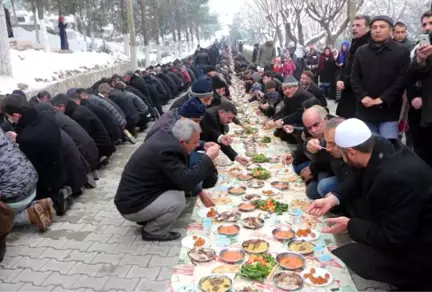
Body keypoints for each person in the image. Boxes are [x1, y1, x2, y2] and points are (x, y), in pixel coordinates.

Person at [308, 118, 432, 291]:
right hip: (406, 223)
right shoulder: (378, 146)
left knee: (354, 257)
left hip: (421, 245)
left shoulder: (395, 177)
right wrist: (332, 198)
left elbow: (393, 238)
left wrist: (350, 225)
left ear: (350, 152)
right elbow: (356, 175)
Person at [115, 119, 220, 241]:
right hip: (132, 205)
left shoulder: (168, 136)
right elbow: (187, 182)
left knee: (178, 191)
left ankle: (148, 217)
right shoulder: (167, 151)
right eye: (195, 142)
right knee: (178, 200)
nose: (198, 145)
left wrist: (202, 145)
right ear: (182, 142)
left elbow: (181, 176)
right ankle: (153, 231)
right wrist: (208, 158)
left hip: (139, 195)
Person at [2, 95, 68, 215]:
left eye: (8, 117)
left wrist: (19, 141)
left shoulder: (28, 138)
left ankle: (35, 212)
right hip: (59, 173)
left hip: (44, 186)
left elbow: (28, 163)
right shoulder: (46, 116)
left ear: (16, 115)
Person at [351, 15, 410, 139]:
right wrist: (363, 96)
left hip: (389, 111)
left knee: (388, 150)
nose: (377, 30)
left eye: (382, 27)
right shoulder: (361, 51)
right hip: (365, 110)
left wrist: (382, 99)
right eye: (374, 27)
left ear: (390, 30)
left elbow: (401, 80)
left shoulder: (402, 51)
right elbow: (354, 77)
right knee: (367, 149)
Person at [0, 129, 56, 231]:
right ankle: (37, 205)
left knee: (3, 220)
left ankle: (29, 215)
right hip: (31, 184)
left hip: (14, 197)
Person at [50, 94, 114, 160]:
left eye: (55, 110)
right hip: (103, 143)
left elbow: (83, 138)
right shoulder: (78, 109)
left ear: (61, 106)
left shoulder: (77, 115)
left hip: (101, 147)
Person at [408, 10, 432, 167]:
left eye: (431, 23)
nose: (428, 27)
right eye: (424, 24)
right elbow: (412, 76)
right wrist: (421, 60)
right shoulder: (420, 48)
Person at [336, 15, 371, 119]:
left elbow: (362, 72)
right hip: (348, 93)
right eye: (353, 25)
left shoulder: (370, 45)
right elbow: (345, 66)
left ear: (368, 27)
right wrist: (339, 79)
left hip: (359, 95)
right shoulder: (354, 43)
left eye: (358, 25)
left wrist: (345, 81)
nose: (354, 28)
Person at [200, 102, 250, 166]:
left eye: (232, 118)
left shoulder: (219, 114)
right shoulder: (210, 116)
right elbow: (215, 137)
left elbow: (220, 139)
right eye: (229, 118)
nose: (231, 121)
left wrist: (236, 157)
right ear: (221, 113)